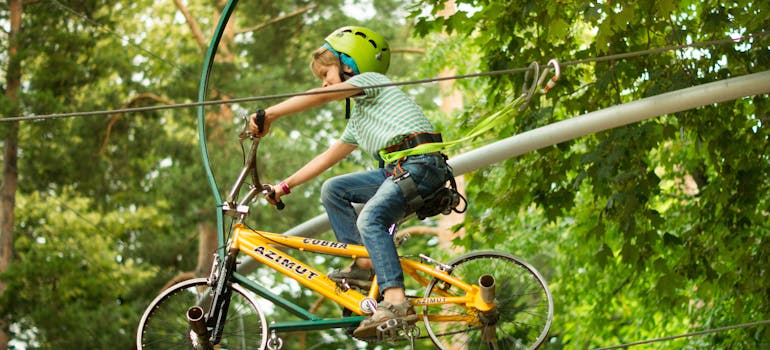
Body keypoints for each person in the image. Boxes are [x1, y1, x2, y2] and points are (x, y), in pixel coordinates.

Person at [249, 26, 452, 338]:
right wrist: (283, 186)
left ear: (349, 66)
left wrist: (270, 114)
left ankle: (396, 301)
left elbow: (322, 96)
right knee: (334, 189)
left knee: (370, 218)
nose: (324, 82)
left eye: (326, 73)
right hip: (398, 170)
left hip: (420, 164)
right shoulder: (359, 119)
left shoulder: (372, 82)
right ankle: (361, 261)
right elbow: (327, 158)